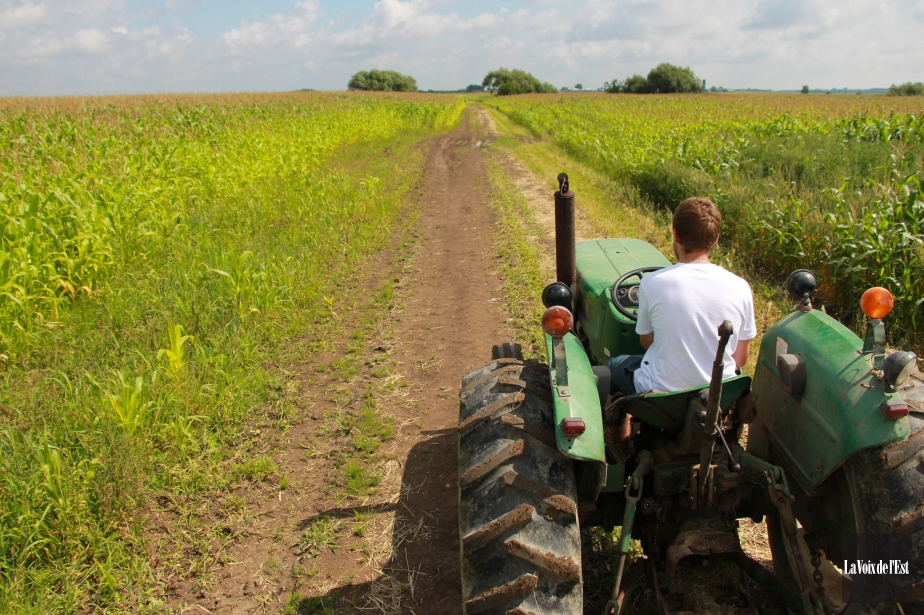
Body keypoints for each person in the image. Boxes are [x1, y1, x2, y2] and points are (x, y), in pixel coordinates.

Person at [608, 197, 756, 395]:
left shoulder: (651, 283)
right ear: (716, 238)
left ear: (676, 235)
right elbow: (740, 359)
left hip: (661, 396)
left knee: (613, 366)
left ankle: (619, 422)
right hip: (718, 394)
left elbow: (647, 342)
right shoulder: (741, 287)